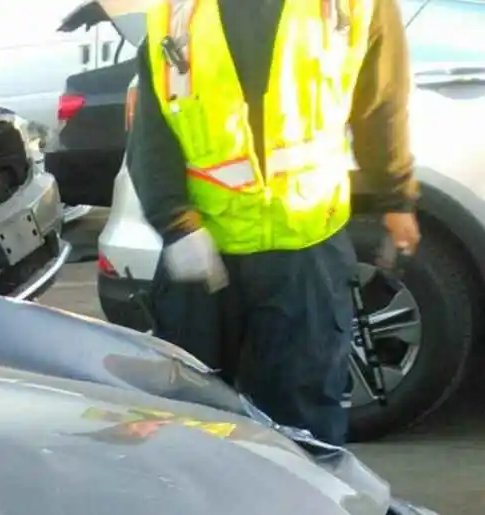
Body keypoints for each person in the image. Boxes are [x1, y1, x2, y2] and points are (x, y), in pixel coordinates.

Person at [128, 0, 418, 445]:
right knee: (190, 417)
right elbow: (154, 127)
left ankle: (303, 513)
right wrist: (175, 223)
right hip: (205, 251)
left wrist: (396, 196)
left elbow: (381, 99)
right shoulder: (177, 12)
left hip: (304, 250)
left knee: (303, 424)